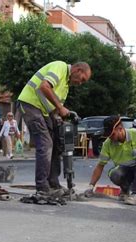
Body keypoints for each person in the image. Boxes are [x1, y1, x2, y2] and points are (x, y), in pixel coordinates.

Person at [17, 61, 91, 196]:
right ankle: (42, 187)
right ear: (78, 70)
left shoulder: (66, 87)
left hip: (43, 111)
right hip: (29, 104)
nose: (80, 83)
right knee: (45, 143)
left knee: (57, 143)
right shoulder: (60, 67)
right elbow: (44, 86)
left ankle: (53, 182)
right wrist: (61, 108)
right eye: (82, 79)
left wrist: (61, 118)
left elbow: (55, 110)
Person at [84, 115, 136, 206]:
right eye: (108, 135)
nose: (110, 138)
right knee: (114, 173)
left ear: (120, 128)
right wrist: (91, 186)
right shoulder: (108, 144)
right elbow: (100, 166)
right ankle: (125, 190)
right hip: (126, 172)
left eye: (112, 134)